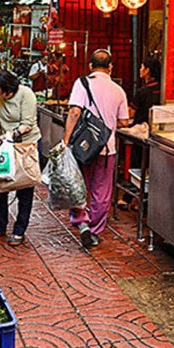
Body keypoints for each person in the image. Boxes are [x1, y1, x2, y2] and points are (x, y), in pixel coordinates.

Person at [63, 49, 130, 248]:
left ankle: (81, 223)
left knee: (78, 186)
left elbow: (75, 111)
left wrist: (66, 141)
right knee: (102, 191)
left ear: (91, 66)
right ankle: (94, 231)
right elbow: (124, 121)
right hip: (106, 148)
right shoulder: (119, 90)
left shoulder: (82, 83)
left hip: (83, 148)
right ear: (111, 68)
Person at [0, 70, 40, 247]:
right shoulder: (1, 96)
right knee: (1, 184)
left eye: (2, 92)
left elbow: (28, 123)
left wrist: (10, 134)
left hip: (24, 146)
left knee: (24, 187)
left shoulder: (26, 94)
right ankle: (0, 226)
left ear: (10, 86)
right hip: (4, 145)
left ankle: (19, 230)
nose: (0, 96)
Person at [117, 56, 161, 211]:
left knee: (137, 167)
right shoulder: (162, 91)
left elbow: (130, 113)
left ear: (148, 70)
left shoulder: (143, 92)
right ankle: (139, 201)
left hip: (140, 136)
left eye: (142, 67)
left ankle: (129, 199)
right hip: (157, 134)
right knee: (152, 169)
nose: (140, 69)